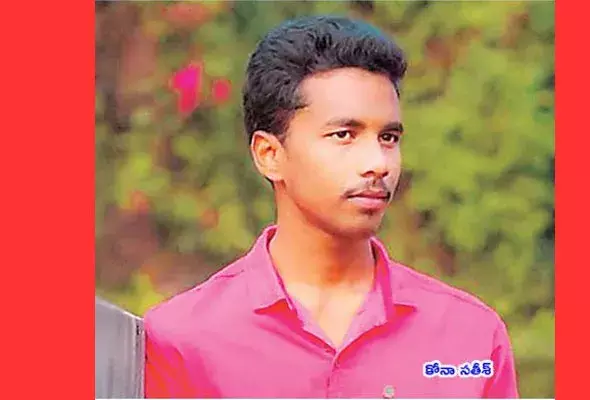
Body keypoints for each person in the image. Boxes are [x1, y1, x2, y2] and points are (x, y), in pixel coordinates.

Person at [144, 15, 519, 399]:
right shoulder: (181, 342)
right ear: (269, 155)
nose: (378, 163)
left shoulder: (470, 336)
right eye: (344, 135)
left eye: (389, 138)